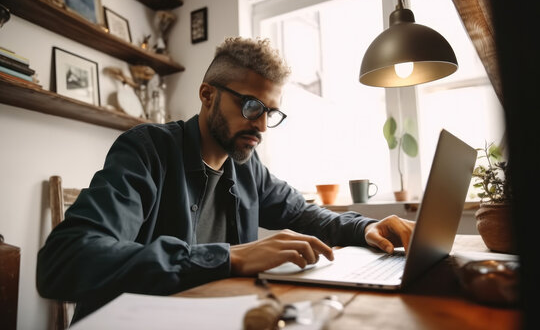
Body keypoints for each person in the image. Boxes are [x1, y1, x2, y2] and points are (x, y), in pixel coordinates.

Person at [37, 37, 415, 323]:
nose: (263, 125)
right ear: (207, 95)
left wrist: (368, 227)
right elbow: (65, 259)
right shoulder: (147, 150)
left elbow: (306, 215)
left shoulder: (247, 166)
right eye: (252, 107)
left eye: (271, 113)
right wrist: (229, 257)